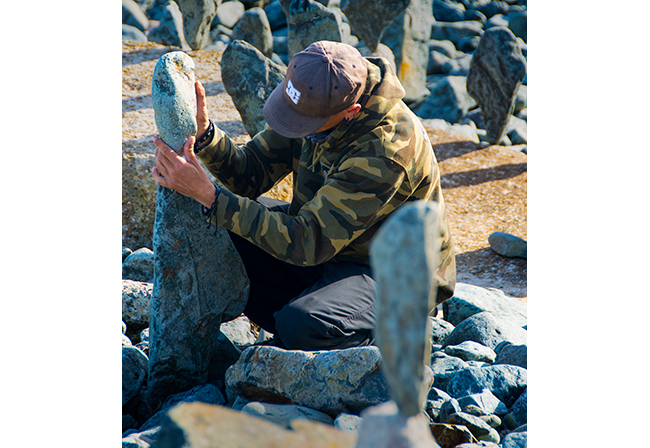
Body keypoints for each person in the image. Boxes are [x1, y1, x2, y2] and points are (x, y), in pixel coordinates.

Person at [152, 40, 455, 351]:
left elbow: (307, 241)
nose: (296, 129)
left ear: (351, 111)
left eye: (307, 127)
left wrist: (211, 196)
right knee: (218, 228)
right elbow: (249, 173)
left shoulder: (386, 151)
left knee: (301, 326)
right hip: (333, 245)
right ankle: (307, 309)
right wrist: (206, 136)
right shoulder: (315, 95)